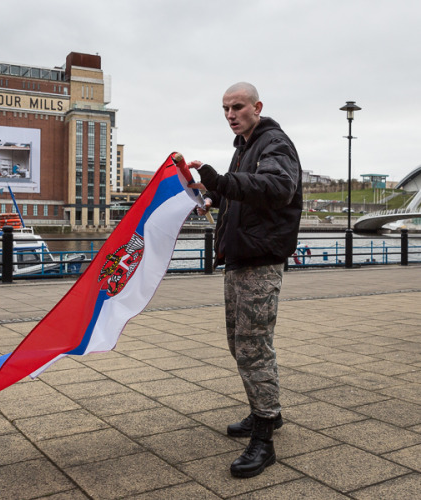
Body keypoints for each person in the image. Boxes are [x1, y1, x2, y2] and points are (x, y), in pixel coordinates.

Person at [188, 82, 302, 479]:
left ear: (257, 106)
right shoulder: (244, 148)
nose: (231, 114)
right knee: (240, 343)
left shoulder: (274, 143)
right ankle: (265, 412)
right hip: (239, 258)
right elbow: (243, 193)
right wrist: (212, 196)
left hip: (259, 260)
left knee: (254, 348)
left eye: (237, 107)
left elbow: (277, 187)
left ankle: (265, 436)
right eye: (225, 108)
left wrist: (220, 181)